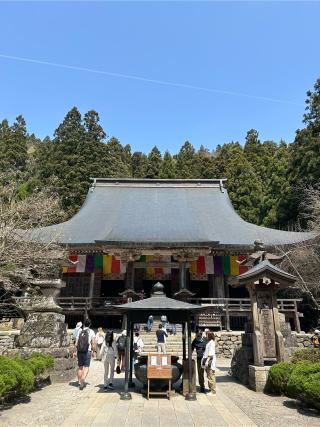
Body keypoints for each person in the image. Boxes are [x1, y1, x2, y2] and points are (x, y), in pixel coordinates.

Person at [75, 318, 95, 390]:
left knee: (80, 367)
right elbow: (93, 343)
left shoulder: (80, 331)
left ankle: (79, 382)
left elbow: (76, 343)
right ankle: (83, 379)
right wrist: (94, 351)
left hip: (79, 351)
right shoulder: (91, 332)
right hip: (87, 351)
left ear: (84, 324)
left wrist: (75, 351)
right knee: (86, 367)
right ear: (90, 324)